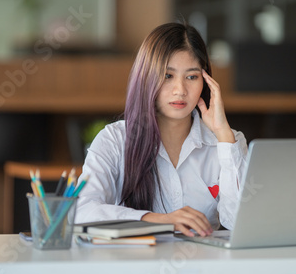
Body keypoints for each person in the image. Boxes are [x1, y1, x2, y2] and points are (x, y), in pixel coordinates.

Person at [75, 22, 247, 237]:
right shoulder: (115, 140)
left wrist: (223, 134)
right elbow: (81, 210)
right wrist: (160, 221)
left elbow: (239, 222)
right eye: (167, 76)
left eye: (192, 77)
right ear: (146, 78)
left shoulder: (227, 141)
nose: (180, 90)